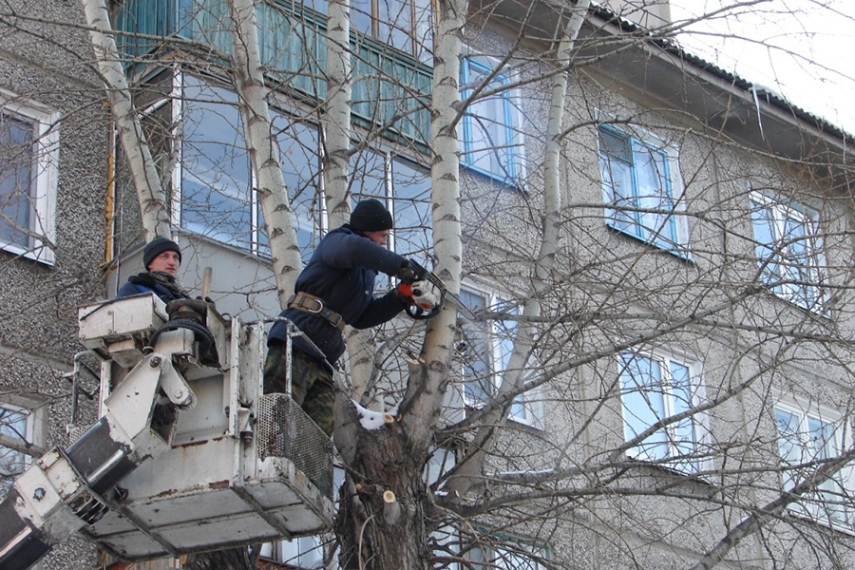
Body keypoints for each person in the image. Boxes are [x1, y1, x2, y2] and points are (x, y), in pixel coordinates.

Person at [264, 199, 417, 436]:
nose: (385, 241)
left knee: (319, 432)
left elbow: (362, 317)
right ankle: (270, 460)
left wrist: (400, 297)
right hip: (298, 340)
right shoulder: (338, 242)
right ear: (368, 229)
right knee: (280, 416)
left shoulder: (364, 274)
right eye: (382, 234)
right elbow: (355, 250)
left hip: (323, 356)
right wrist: (400, 266)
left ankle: (305, 473)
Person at [116, 237, 192, 304]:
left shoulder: (183, 298)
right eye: (164, 256)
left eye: (175, 257)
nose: (172, 263)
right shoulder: (135, 288)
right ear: (150, 263)